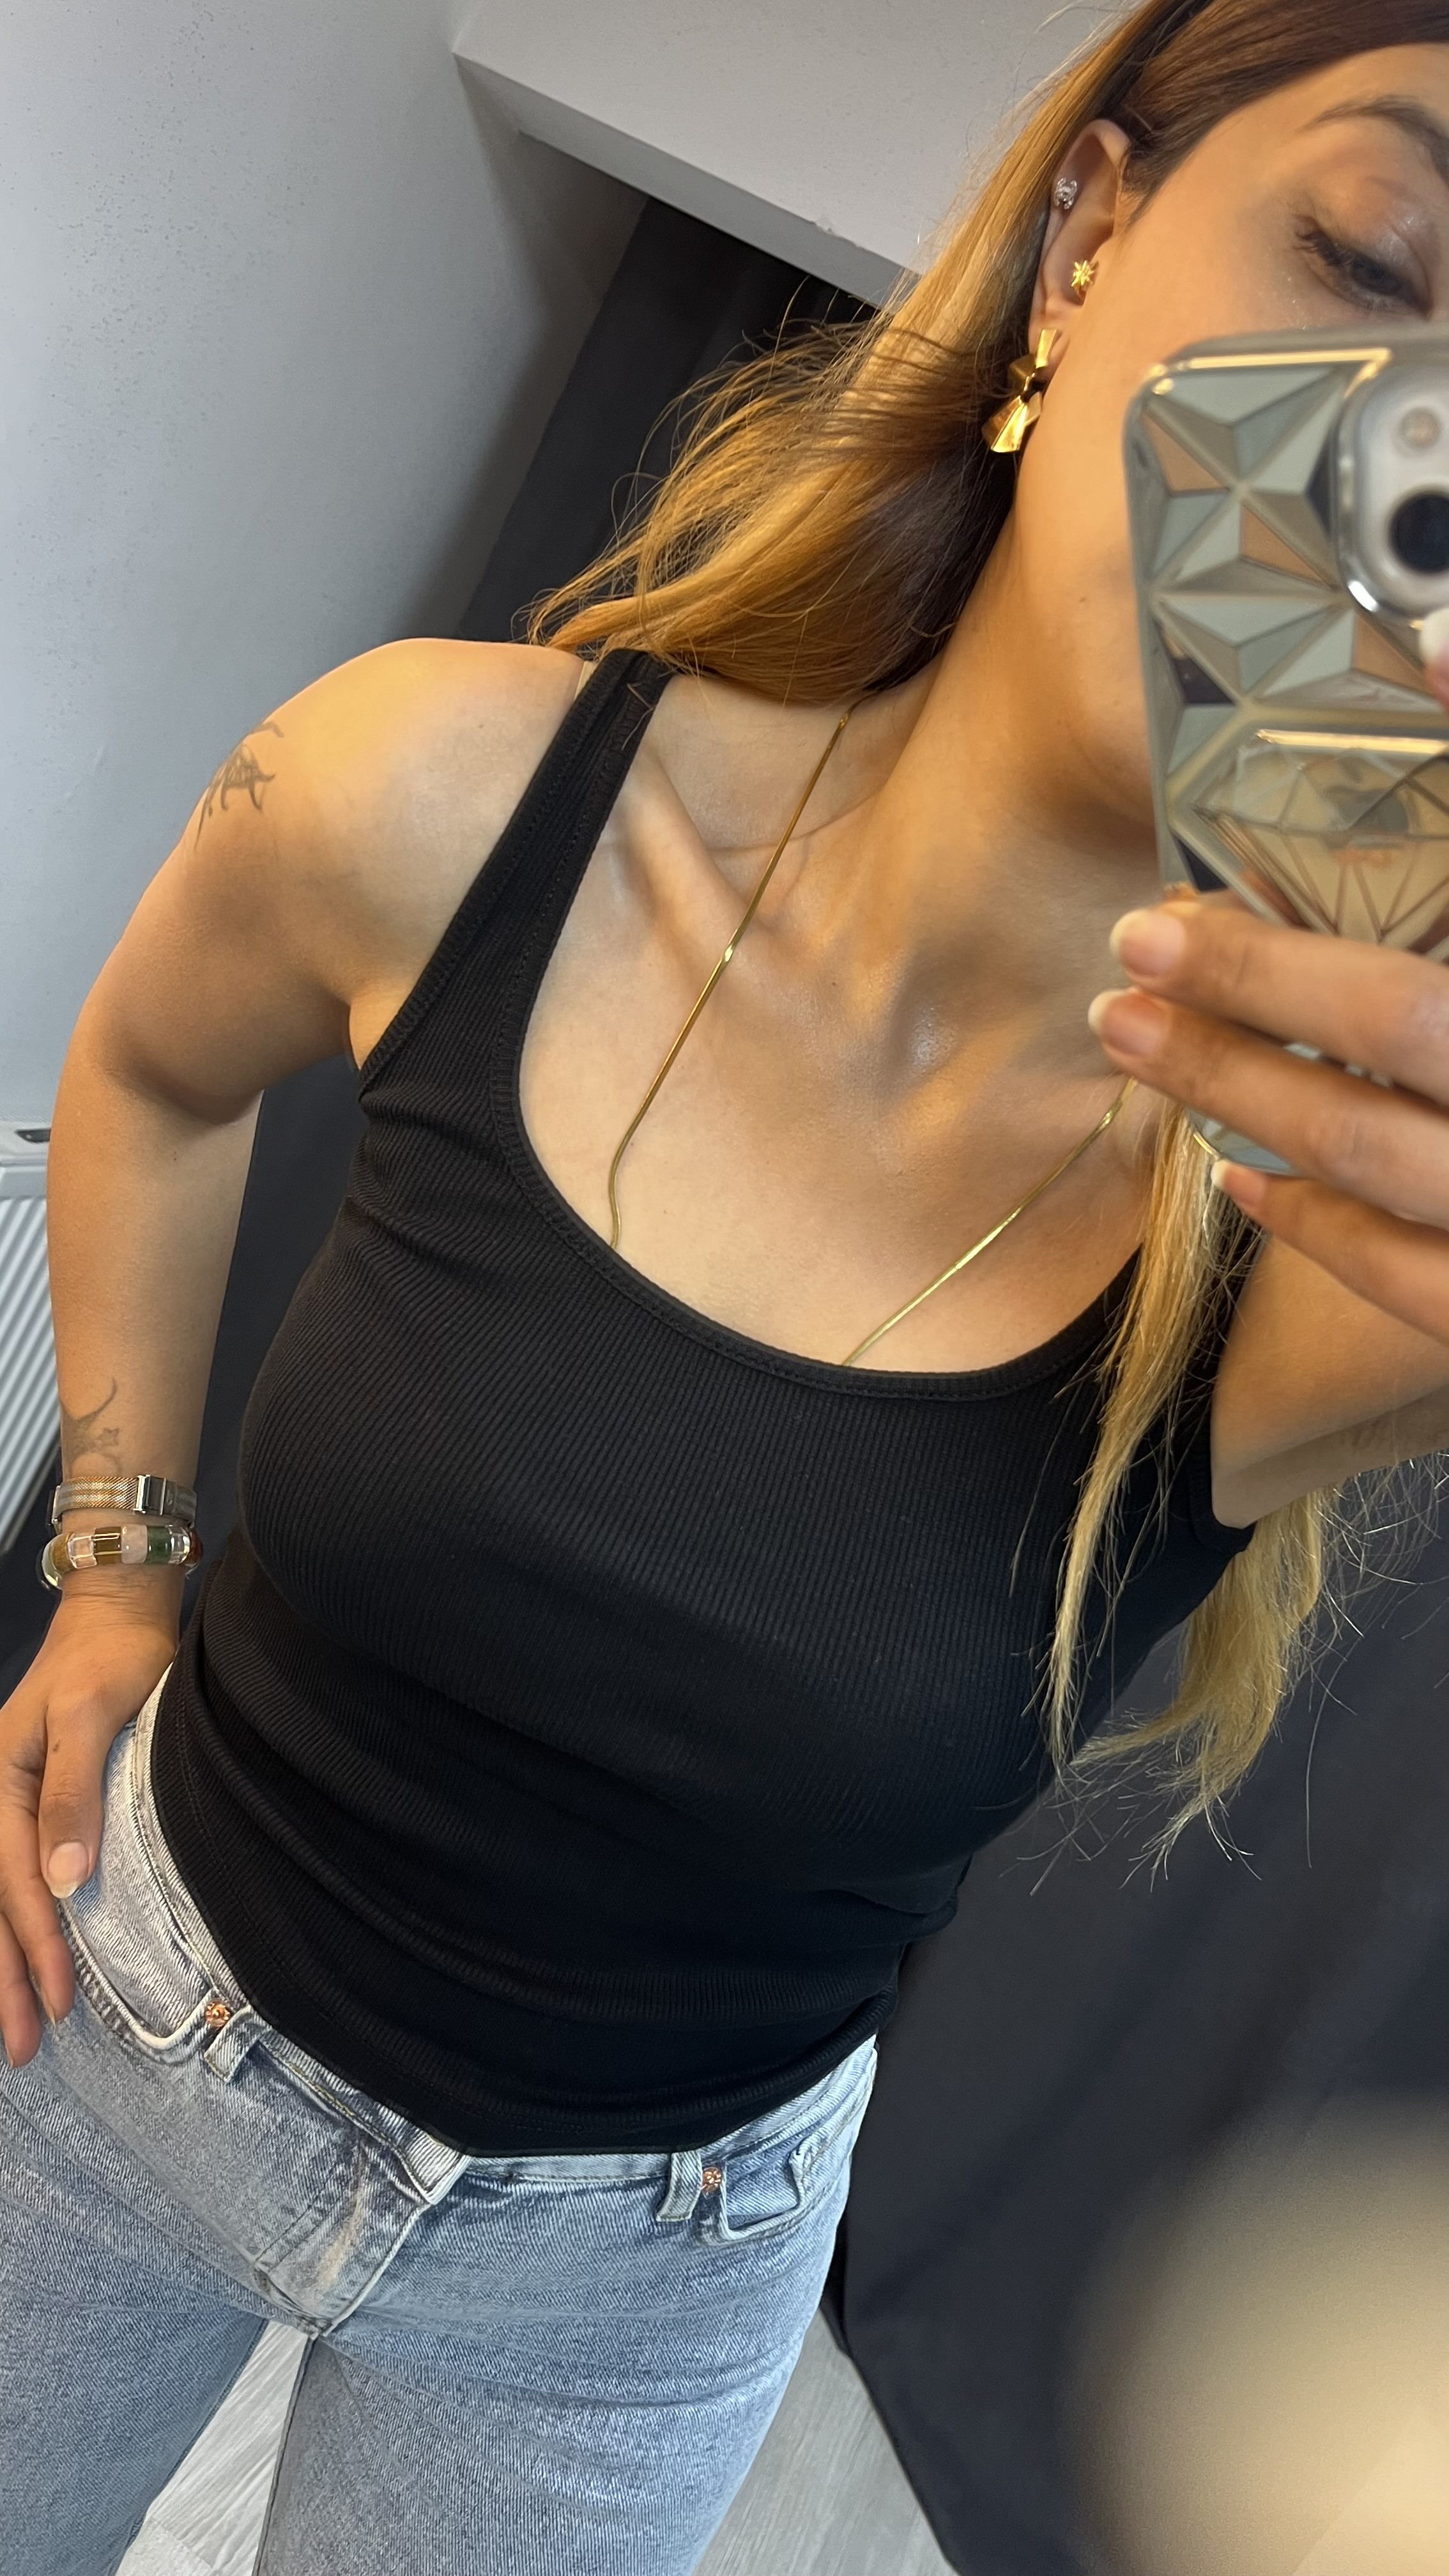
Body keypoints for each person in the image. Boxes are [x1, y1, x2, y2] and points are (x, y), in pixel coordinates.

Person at [6, 4, 1449, 2570]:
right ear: (1086, 234)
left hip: (633, 2290)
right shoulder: (430, 789)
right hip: (112, 2032)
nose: (1402, 466)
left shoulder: (1325, 1257)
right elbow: (144, 1076)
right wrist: (113, 1573)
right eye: (1370, 258)